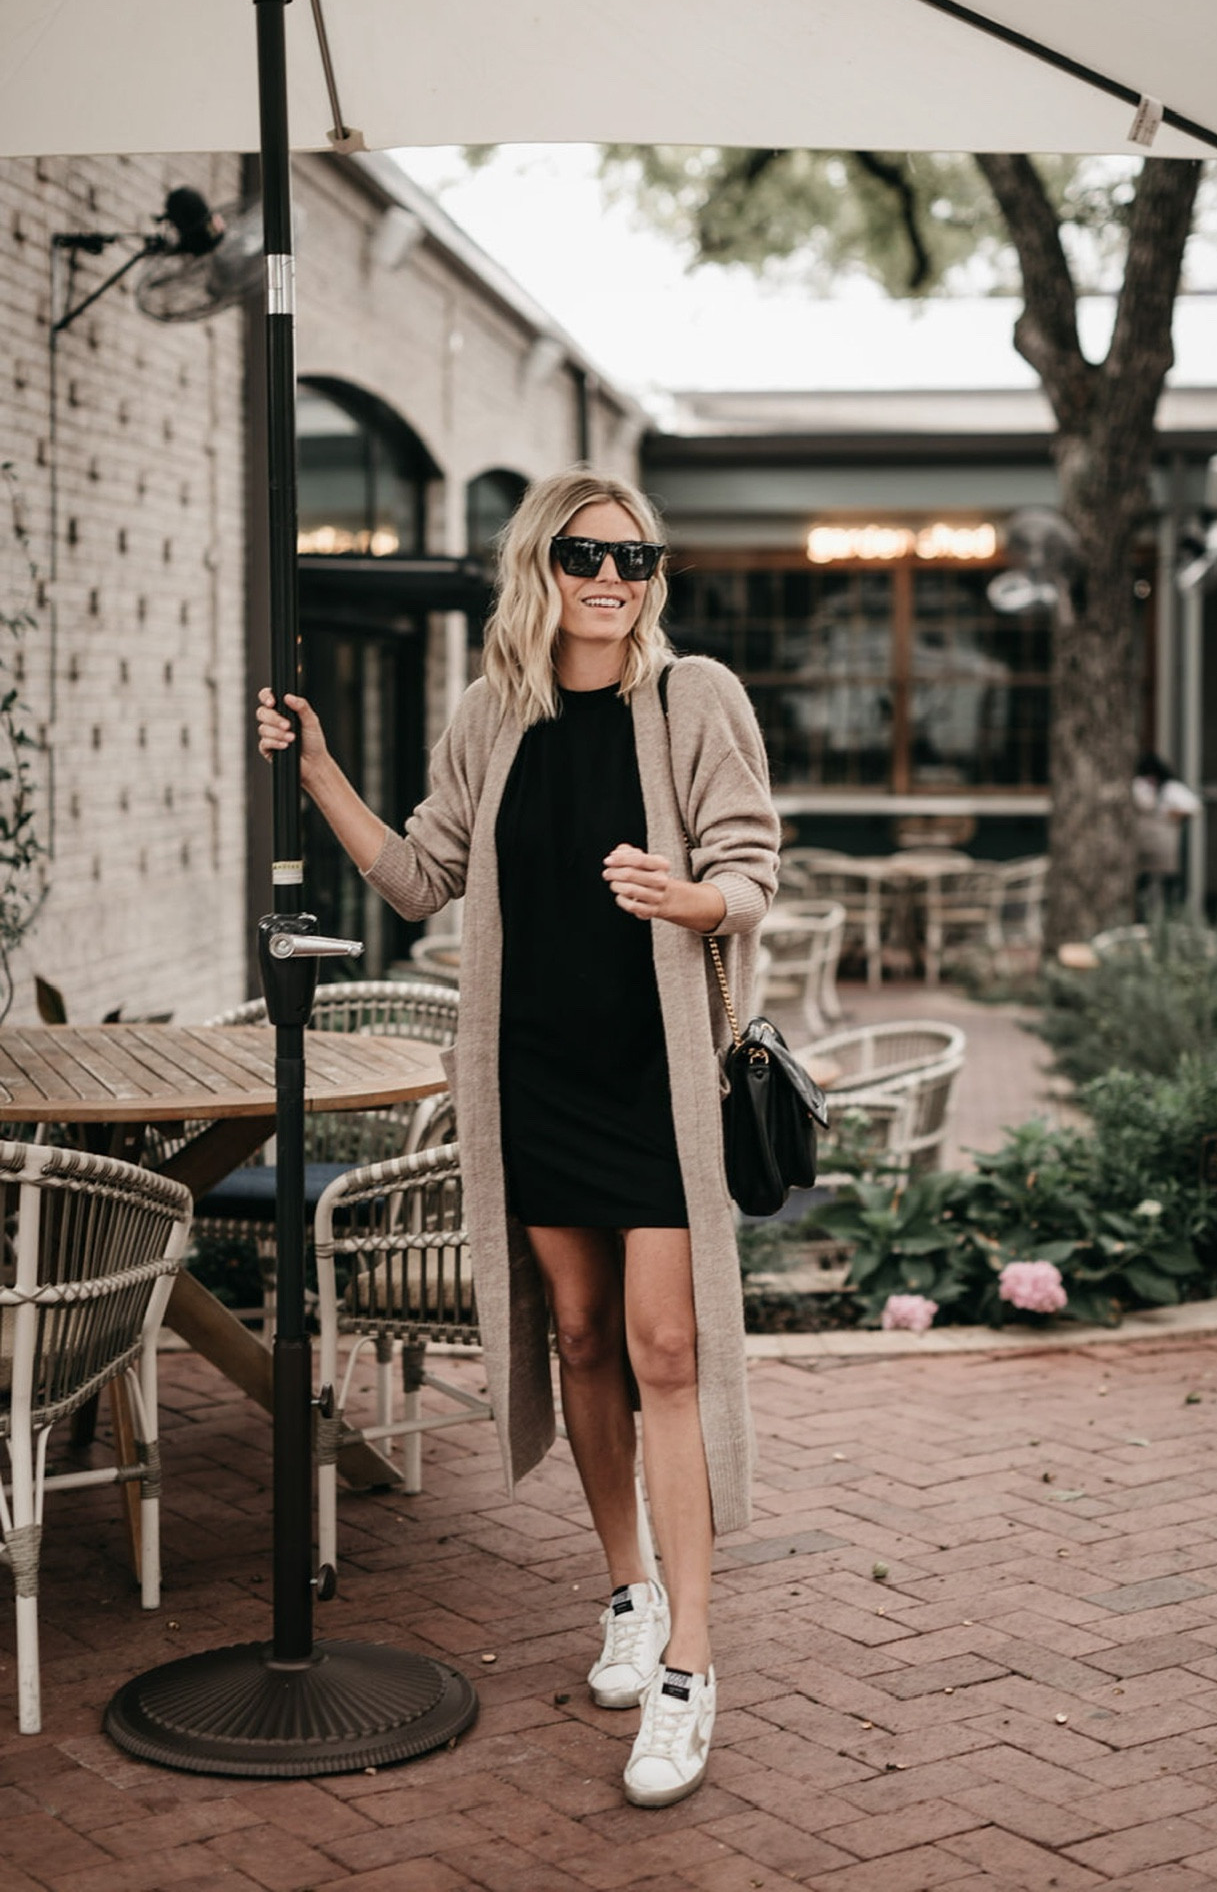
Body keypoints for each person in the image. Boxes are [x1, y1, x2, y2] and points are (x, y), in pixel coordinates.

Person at [257, 467, 779, 1807]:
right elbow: (424, 875)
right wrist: (317, 771)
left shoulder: (692, 698)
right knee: (585, 1340)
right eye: (585, 557)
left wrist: (690, 901)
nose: (611, 581)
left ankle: (689, 1667)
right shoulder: (491, 715)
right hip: (537, 1077)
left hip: (654, 1082)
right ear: (538, 567)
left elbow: (750, 868)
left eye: (635, 560)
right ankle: (625, 1588)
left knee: (667, 1347)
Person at [1133, 752, 1202, 916]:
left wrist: (1170, 815)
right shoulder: (1139, 785)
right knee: (1143, 882)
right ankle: (1142, 916)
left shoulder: (1171, 789)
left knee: (1167, 882)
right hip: (1142, 843)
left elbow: (1193, 807)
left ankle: (1170, 916)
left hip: (1164, 843)